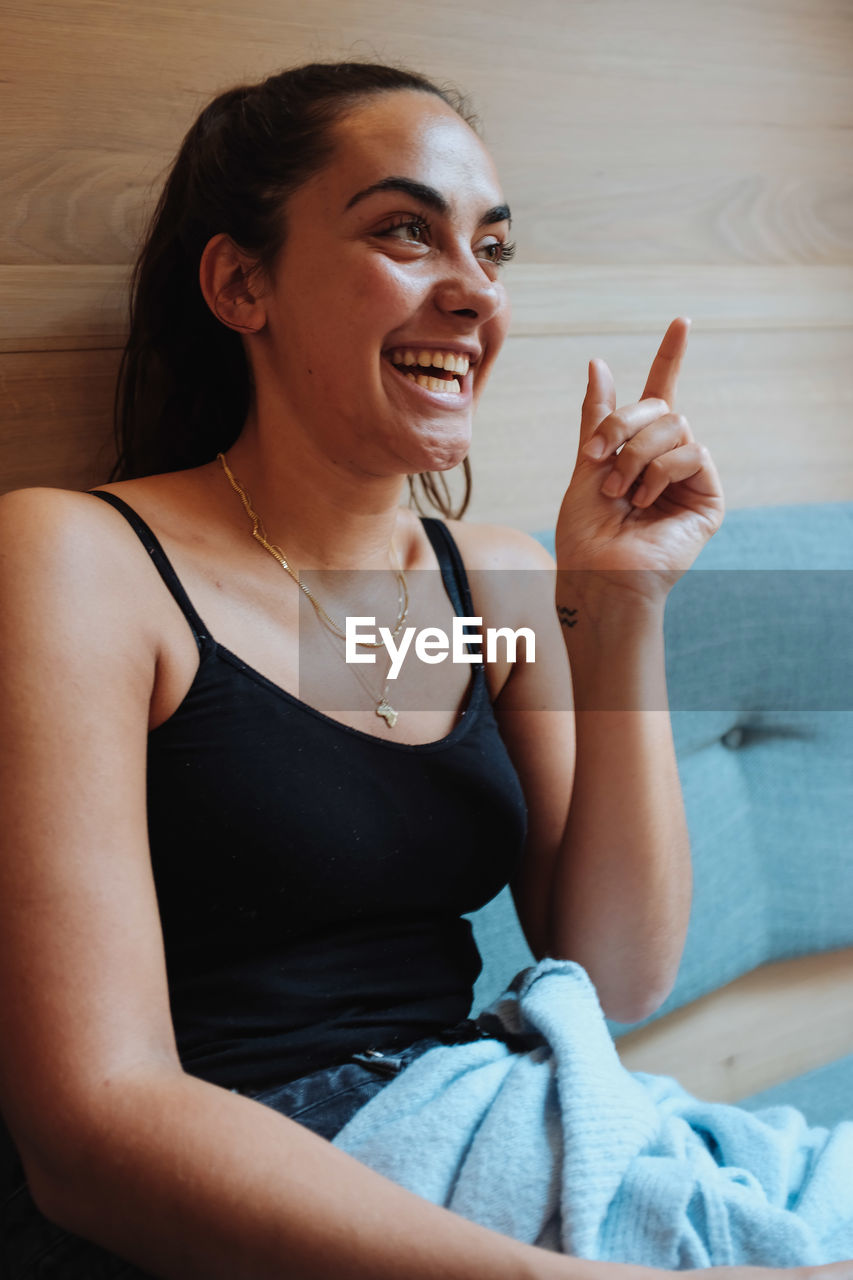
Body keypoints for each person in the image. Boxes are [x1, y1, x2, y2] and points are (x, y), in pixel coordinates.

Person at [0, 61, 848, 1280]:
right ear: (242, 283)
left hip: (469, 1127)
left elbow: (616, 968)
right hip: (247, 1197)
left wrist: (617, 605)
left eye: (491, 250)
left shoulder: (492, 585)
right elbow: (91, 1123)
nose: (471, 293)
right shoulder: (80, 561)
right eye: (405, 231)